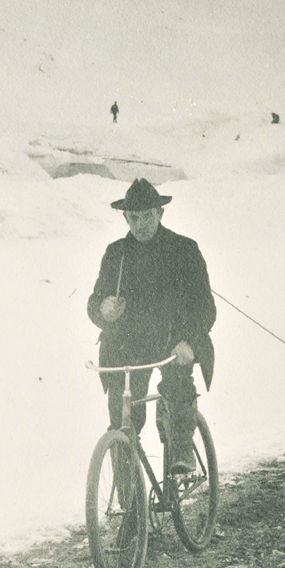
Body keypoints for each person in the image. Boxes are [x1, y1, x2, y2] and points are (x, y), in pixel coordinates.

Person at [88, 178, 215, 473]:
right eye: (134, 217)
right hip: (128, 347)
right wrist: (103, 310)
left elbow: (206, 308)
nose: (141, 223)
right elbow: (94, 303)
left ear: (160, 213)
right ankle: (128, 501)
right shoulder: (116, 254)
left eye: (147, 215)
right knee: (123, 420)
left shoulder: (184, 250)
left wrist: (191, 343)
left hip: (174, 343)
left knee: (178, 389)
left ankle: (182, 450)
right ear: (125, 217)